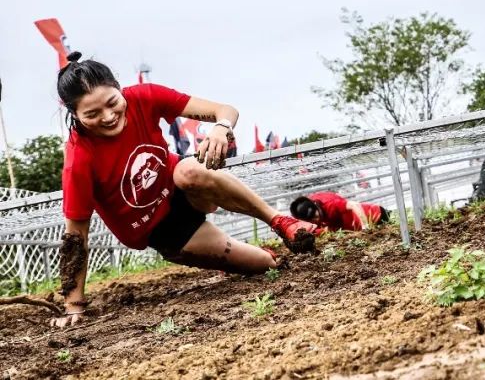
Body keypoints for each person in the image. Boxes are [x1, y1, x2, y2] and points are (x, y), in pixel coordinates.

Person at [52, 53, 321, 329]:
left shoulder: (145, 97)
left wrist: (220, 128)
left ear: (119, 88)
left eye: (112, 103)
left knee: (189, 169)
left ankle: (279, 221)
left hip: (184, 187)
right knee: (264, 264)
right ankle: (232, 257)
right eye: (92, 114)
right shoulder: (79, 159)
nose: (108, 117)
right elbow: (76, 236)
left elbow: (225, 110)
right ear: (74, 114)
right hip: (161, 230)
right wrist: (74, 306)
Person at [290, 191, 389, 231]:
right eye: (313, 220)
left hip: (376, 216)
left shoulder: (330, 204)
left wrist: (366, 227)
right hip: (352, 228)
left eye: (316, 216)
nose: (316, 220)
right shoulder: (309, 207)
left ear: (316, 207)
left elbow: (355, 205)